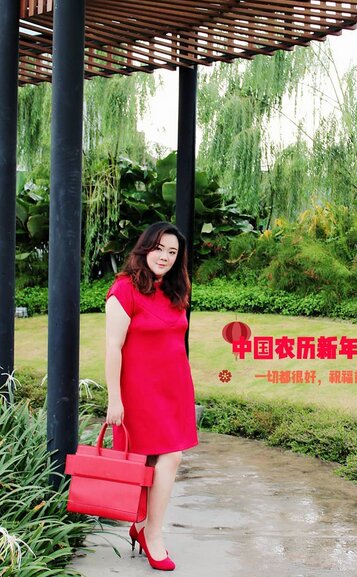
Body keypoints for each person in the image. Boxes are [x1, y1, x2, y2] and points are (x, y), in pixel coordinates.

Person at [105, 221, 199, 572]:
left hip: (173, 389)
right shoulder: (123, 290)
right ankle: (150, 532)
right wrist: (115, 399)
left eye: (173, 252)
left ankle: (146, 527)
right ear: (145, 249)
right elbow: (113, 348)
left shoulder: (176, 291)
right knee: (154, 460)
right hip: (138, 391)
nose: (165, 257)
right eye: (159, 249)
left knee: (167, 459)